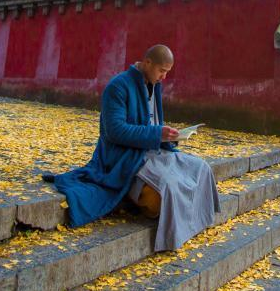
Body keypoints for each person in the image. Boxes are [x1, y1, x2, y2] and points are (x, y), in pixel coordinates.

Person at [42, 44, 221, 252]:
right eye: (162, 71)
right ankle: (144, 205)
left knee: (201, 168)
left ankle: (198, 220)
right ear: (147, 63)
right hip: (123, 156)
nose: (164, 77)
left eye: (167, 72)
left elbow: (152, 125)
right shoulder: (117, 87)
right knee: (168, 187)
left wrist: (169, 137)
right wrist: (157, 134)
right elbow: (115, 131)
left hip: (154, 150)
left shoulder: (154, 84)